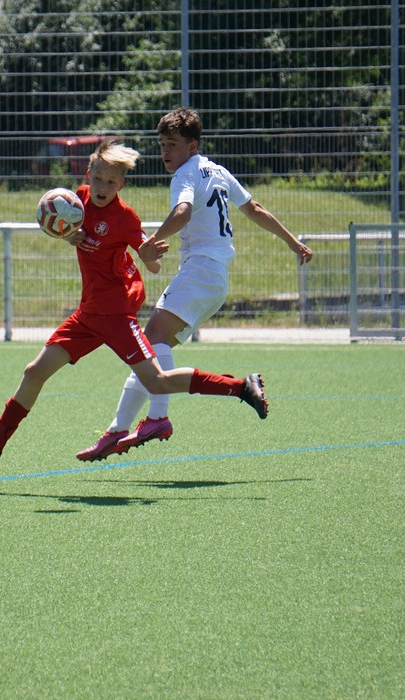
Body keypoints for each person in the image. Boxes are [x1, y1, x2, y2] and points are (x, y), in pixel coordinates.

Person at [0, 140, 266, 465]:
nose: (103, 187)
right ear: (88, 175)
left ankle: (241, 387)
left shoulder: (125, 218)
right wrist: (66, 235)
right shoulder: (76, 201)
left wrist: (148, 256)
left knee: (157, 381)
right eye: (98, 179)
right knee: (34, 372)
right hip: (86, 315)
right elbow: (59, 222)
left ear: (121, 185)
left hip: (117, 316)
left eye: (111, 182)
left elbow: (152, 263)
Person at [76, 107, 314, 462]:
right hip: (215, 278)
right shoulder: (216, 170)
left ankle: (156, 419)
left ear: (192, 146)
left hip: (202, 270)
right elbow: (254, 209)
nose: (165, 151)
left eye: (172, 144)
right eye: (162, 144)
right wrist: (293, 242)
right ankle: (116, 430)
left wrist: (151, 242)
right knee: (150, 355)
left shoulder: (185, 174)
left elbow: (183, 211)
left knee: (150, 342)